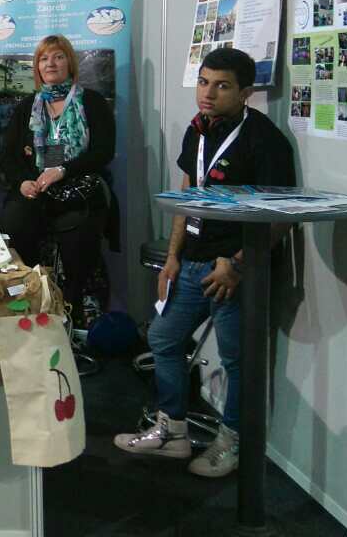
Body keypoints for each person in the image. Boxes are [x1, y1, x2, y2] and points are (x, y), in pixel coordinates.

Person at [114, 48, 295, 478]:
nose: (208, 93)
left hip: (233, 271)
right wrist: (172, 257)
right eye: (203, 82)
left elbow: (282, 216)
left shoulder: (265, 140)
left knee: (238, 361)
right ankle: (172, 431)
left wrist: (238, 264)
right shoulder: (197, 131)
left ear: (245, 92)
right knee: (163, 338)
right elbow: (186, 196)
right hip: (193, 262)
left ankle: (232, 442)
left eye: (221, 85)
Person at [0, 34, 115, 308]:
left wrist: (62, 170)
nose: (50, 63)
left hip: (79, 187)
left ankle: (71, 310)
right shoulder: (27, 107)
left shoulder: (92, 102)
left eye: (58, 57)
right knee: (14, 224)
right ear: (37, 67)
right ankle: (29, 302)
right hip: (36, 190)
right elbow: (9, 156)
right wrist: (22, 182)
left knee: (78, 245)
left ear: (70, 64)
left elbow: (103, 152)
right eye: (44, 58)